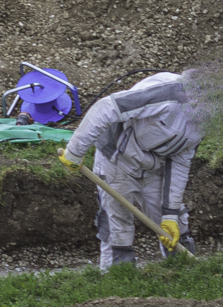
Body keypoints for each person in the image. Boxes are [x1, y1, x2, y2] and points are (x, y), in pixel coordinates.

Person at [59, 71, 201, 270]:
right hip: (117, 159)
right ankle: (116, 277)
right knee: (117, 225)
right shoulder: (168, 94)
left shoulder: (205, 123)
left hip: (153, 166)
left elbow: (180, 162)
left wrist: (170, 214)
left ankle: (182, 272)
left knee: (176, 223)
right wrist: (75, 150)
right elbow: (106, 107)